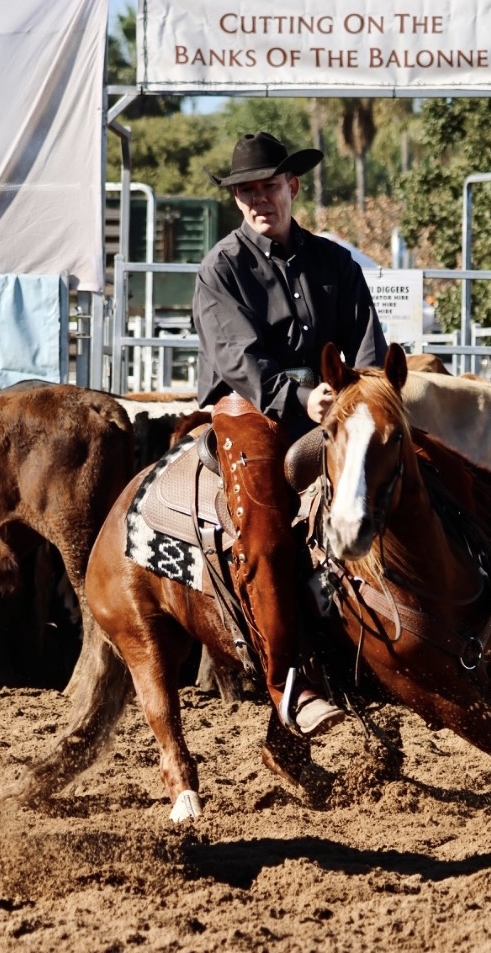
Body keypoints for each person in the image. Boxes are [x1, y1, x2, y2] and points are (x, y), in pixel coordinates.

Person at [193, 131, 387, 737]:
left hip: (331, 407)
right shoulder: (221, 268)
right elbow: (238, 359)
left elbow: (368, 347)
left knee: (406, 481)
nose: (259, 200)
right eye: (246, 191)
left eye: (269, 186)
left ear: (292, 187)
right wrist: (303, 398)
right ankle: (289, 685)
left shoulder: (335, 262)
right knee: (267, 533)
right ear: (236, 200)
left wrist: (358, 396)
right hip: (249, 410)